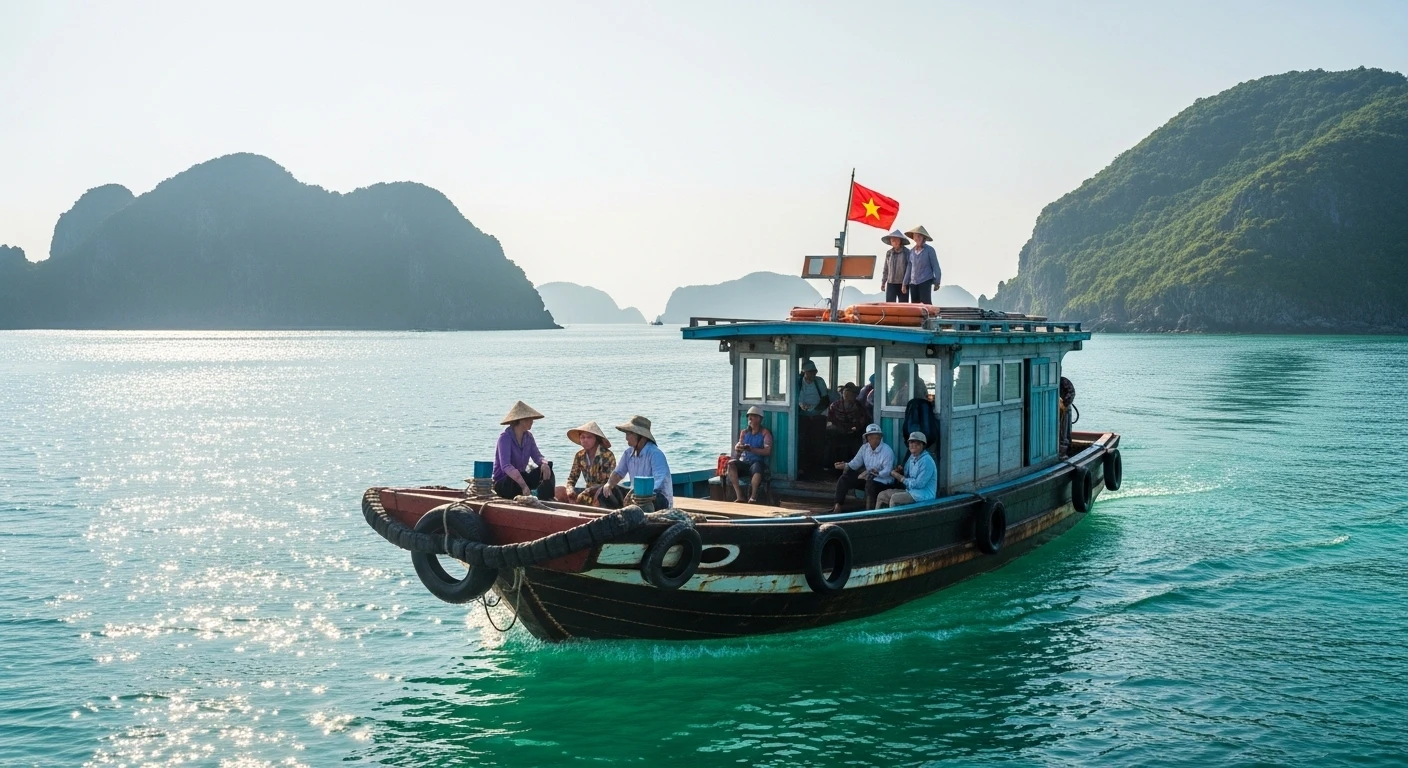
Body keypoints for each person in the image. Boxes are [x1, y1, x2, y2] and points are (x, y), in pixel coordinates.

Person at [597, 415, 673, 510]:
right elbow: (618, 473)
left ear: (642, 437)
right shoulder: (628, 453)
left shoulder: (655, 454)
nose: (626, 438)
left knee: (643, 500)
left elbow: (659, 481)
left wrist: (640, 493)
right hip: (635, 495)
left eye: (629, 434)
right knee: (604, 493)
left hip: (656, 497)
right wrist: (609, 484)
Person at [492, 401, 555, 500]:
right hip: (506, 481)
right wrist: (524, 485)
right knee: (514, 480)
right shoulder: (505, 438)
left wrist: (544, 463)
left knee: (548, 466)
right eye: (529, 419)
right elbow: (506, 466)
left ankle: (546, 497)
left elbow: (537, 456)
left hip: (521, 477)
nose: (532, 422)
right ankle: (525, 491)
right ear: (521, 420)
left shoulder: (529, 437)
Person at [832, 423, 896, 512]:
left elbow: (888, 471)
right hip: (868, 479)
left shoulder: (887, 451)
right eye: (871, 437)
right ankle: (838, 505)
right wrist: (845, 465)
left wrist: (877, 473)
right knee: (845, 478)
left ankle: (869, 511)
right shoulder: (864, 448)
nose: (874, 439)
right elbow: (855, 463)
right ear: (867, 438)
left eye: (876, 437)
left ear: (880, 438)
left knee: (870, 482)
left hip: (883, 482)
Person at [555, 420, 616, 505]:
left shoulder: (607, 455)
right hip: (587, 493)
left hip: (603, 493)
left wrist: (585, 493)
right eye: (582, 437)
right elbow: (572, 478)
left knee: (595, 495)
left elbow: (605, 482)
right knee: (558, 492)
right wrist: (570, 490)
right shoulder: (579, 456)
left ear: (596, 439)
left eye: (589, 437)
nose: (585, 440)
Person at [877, 431, 938, 508]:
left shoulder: (927, 461)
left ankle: (894, 519)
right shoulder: (912, 457)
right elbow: (906, 473)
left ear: (923, 445)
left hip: (923, 495)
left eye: (917, 443)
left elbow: (919, 484)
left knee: (895, 499)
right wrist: (899, 470)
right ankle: (873, 518)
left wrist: (900, 477)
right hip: (911, 491)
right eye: (911, 442)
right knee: (882, 495)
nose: (913, 445)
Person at [727, 406, 773, 504]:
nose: (750, 419)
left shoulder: (765, 433)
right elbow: (739, 447)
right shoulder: (744, 432)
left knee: (757, 469)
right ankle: (739, 496)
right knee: (731, 464)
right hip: (744, 462)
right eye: (749, 417)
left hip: (756, 462)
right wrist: (738, 447)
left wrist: (752, 449)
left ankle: (753, 497)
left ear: (759, 419)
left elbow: (767, 451)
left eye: (752, 417)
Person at [796, 359, 829, 479]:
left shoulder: (819, 381)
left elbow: (825, 401)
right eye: (809, 372)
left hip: (818, 416)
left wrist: (813, 413)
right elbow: (793, 397)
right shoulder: (798, 382)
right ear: (804, 372)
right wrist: (801, 407)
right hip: (803, 416)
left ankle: (817, 470)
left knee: (818, 443)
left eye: (813, 372)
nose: (811, 375)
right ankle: (803, 469)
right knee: (803, 443)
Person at [825, 383, 867, 466]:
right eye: (845, 393)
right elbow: (831, 419)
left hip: (854, 431)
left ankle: (853, 464)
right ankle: (832, 465)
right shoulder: (835, 405)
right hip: (838, 430)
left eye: (850, 394)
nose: (848, 396)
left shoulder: (858, 406)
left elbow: (863, 419)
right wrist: (840, 427)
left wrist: (856, 427)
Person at [904, 225, 941, 305]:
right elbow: (909, 268)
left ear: (923, 238)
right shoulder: (911, 252)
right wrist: (904, 283)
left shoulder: (930, 250)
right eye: (915, 236)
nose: (917, 238)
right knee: (915, 306)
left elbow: (935, 266)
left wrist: (937, 281)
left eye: (919, 236)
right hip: (913, 282)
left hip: (925, 280)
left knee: (926, 304)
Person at [879, 230, 912, 303]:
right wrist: (883, 282)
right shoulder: (889, 253)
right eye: (893, 240)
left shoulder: (907, 253)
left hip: (903, 283)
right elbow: (886, 269)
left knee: (903, 307)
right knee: (890, 306)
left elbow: (909, 269)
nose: (895, 242)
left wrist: (905, 283)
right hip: (891, 283)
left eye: (897, 240)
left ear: (900, 241)